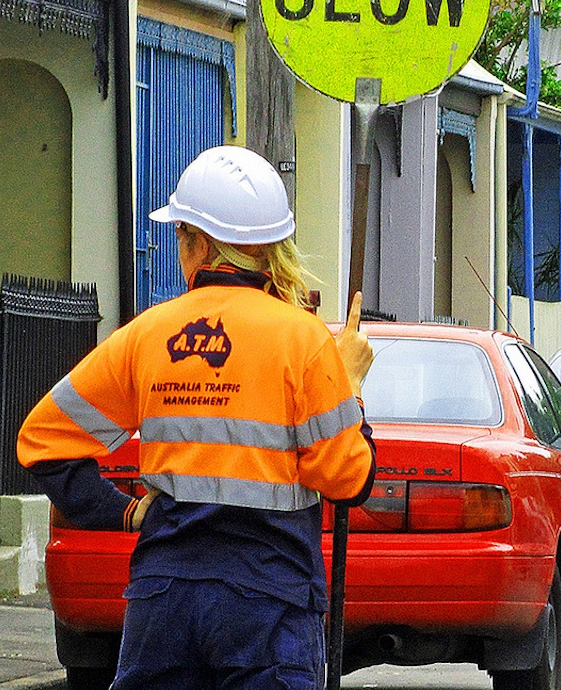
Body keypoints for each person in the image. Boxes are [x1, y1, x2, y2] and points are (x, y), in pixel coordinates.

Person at [16, 145, 376, 689]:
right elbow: (348, 480)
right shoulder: (302, 341)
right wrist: (351, 389)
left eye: (180, 236)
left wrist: (125, 513)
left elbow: (42, 441)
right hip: (269, 605)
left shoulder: (147, 334)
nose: (177, 249)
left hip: (164, 601)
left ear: (201, 245)